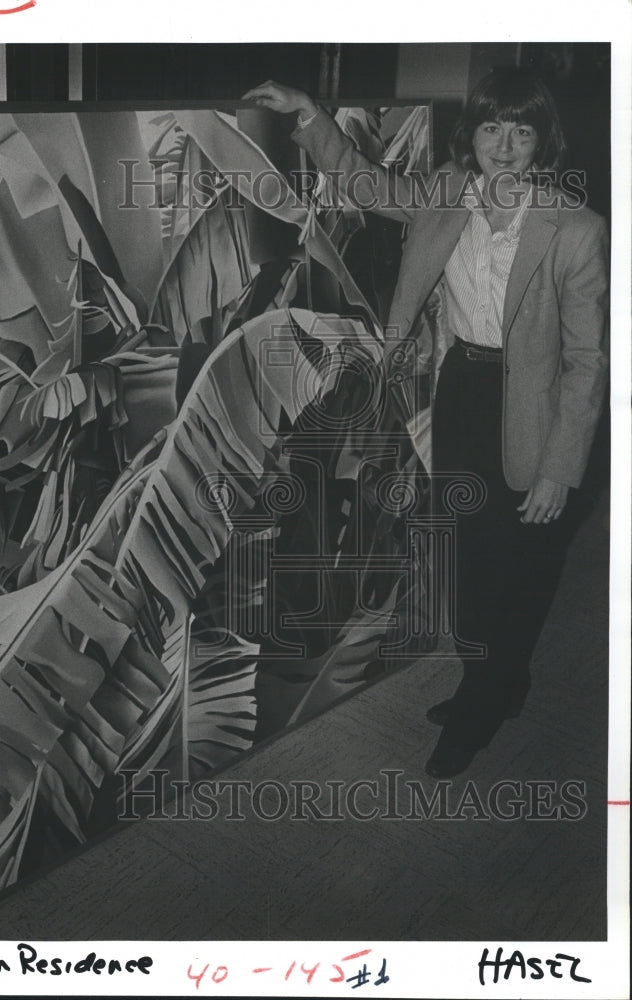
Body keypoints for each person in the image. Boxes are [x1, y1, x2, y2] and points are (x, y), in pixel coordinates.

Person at [243, 69, 609, 777]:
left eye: (522, 130)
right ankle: (498, 680)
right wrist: (312, 114)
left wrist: (562, 469)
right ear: (470, 136)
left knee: (524, 561)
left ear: (544, 142)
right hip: (464, 390)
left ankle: (484, 701)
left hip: (537, 405)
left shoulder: (576, 231)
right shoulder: (446, 193)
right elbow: (364, 182)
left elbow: (589, 364)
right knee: (470, 554)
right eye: (492, 128)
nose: (505, 145)